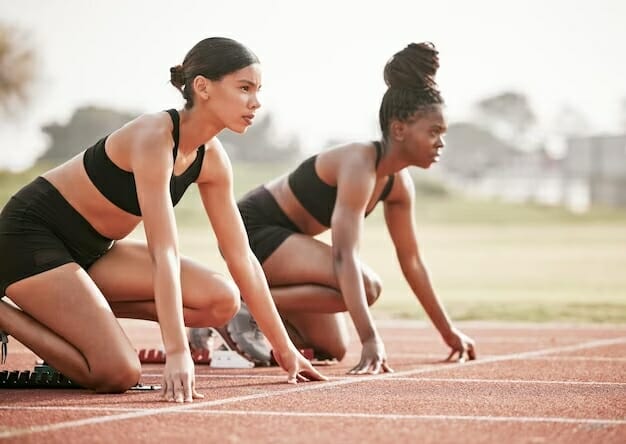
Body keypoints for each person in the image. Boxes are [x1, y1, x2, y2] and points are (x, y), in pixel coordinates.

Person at [0, 37, 326, 401]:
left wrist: (284, 349)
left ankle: (69, 316)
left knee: (221, 300)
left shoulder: (212, 159)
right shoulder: (154, 137)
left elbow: (241, 256)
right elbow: (164, 253)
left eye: (258, 90)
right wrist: (176, 352)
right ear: (202, 87)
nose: (256, 101)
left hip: (93, 252)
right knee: (116, 371)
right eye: (244, 88)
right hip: (31, 239)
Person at [190, 42, 476, 373]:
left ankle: (237, 314)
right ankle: (235, 307)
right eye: (434, 131)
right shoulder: (359, 163)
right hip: (253, 230)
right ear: (399, 129)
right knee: (366, 287)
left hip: (288, 242)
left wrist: (448, 331)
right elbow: (344, 257)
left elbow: (411, 261)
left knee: (331, 348)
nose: (441, 142)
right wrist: (370, 339)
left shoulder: (399, 185)